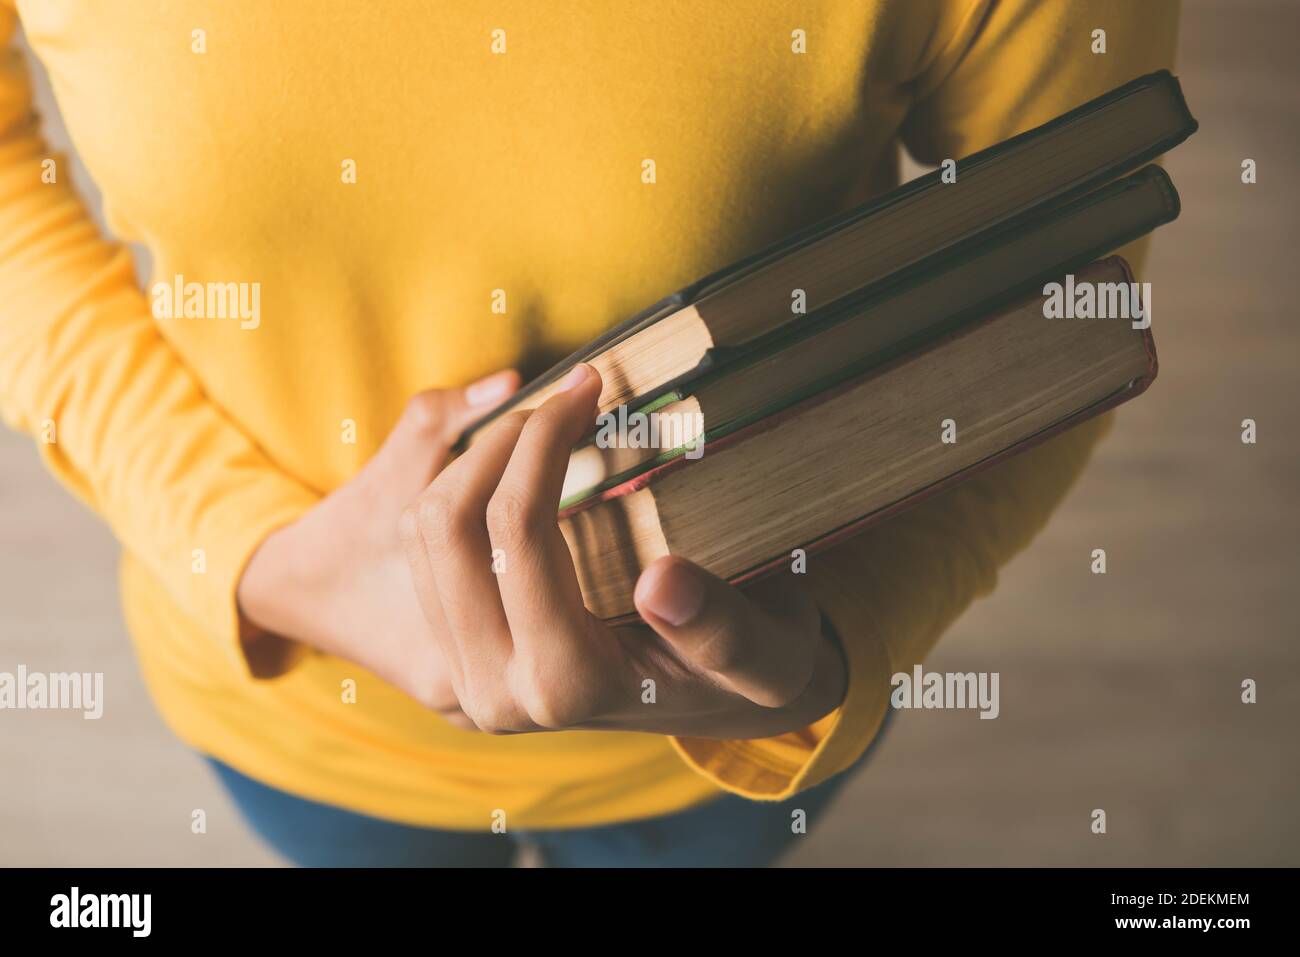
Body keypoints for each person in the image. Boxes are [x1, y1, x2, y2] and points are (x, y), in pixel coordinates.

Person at [0, 1, 1178, 866]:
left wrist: (840, 643)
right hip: (300, 708)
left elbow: (1055, 305)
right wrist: (246, 553)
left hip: (727, 737)